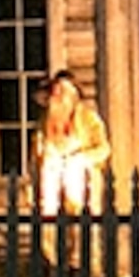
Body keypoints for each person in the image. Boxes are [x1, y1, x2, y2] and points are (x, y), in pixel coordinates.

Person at [36, 71, 112, 215]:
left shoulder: (88, 119)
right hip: (51, 190)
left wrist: (81, 158)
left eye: (62, 91)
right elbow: (37, 156)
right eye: (55, 91)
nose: (57, 96)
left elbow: (103, 148)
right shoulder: (44, 123)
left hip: (81, 188)